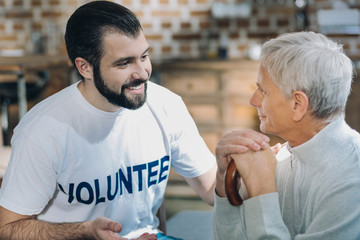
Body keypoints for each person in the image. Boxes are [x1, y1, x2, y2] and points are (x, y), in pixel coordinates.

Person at [0, 1, 239, 239]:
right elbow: (8, 228)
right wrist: (84, 232)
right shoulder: (42, 130)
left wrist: (246, 172)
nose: (143, 73)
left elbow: (210, 188)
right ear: (85, 68)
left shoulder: (167, 105)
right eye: (124, 63)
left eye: (144, 56)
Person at [213, 31, 360, 239]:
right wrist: (225, 182)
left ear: (298, 104)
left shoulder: (351, 181)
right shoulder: (282, 158)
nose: (253, 101)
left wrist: (262, 189)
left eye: (263, 91)